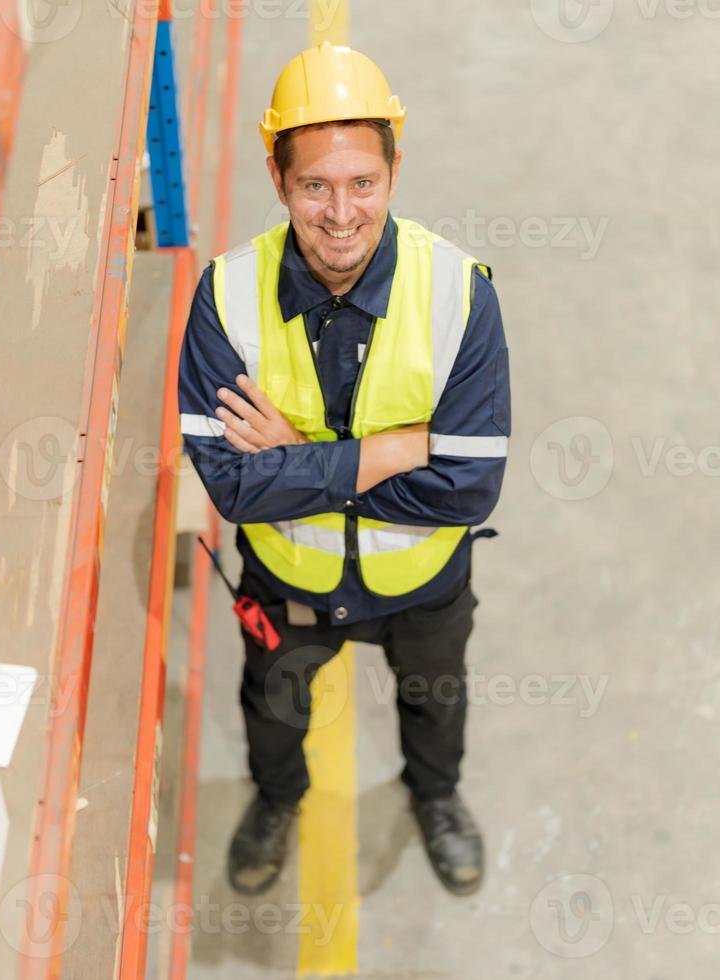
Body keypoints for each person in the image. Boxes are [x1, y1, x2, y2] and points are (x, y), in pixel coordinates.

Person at [177, 42, 511, 897]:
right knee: (274, 709)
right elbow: (229, 485)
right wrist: (397, 446)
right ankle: (277, 799)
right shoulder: (225, 296)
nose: (339, 213)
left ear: (395, 174)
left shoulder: (458, 294)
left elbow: (468, 487)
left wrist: (297, 455)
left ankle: (434, 797)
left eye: (362, 182)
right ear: (278, 180)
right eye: (315, 185)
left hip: (424, 584)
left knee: (436, 704)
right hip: (289, 579)